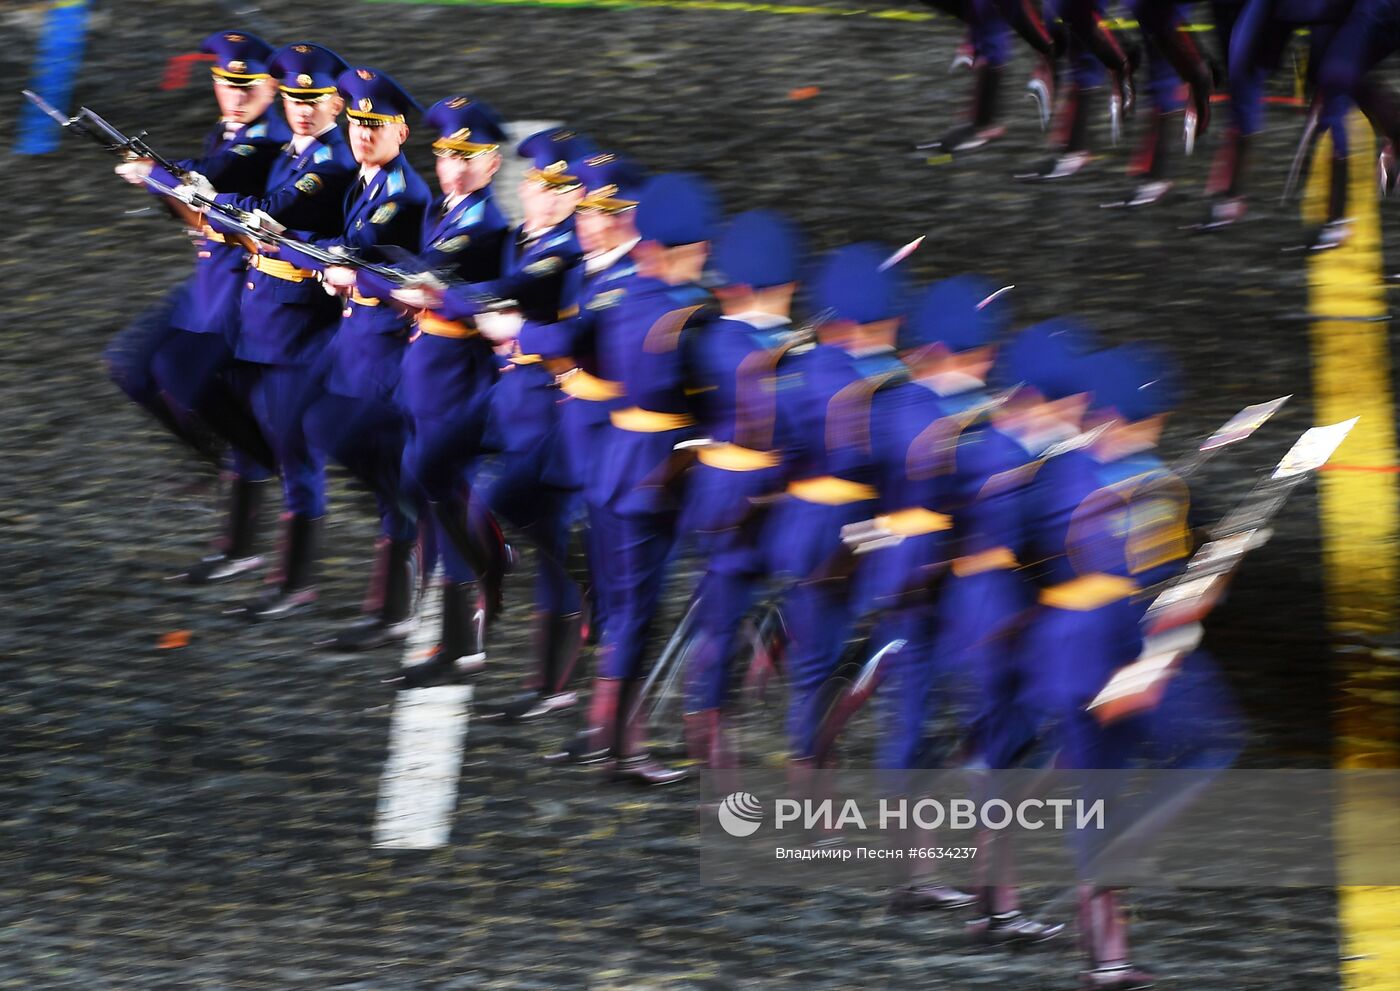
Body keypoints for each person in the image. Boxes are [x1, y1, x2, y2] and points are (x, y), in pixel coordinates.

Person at [201, 41, 358, 619]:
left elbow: (269, 211)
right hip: (261, 313)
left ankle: (294, 583)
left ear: (336, 104)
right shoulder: (292, 151)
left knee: (295, 451)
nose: (301, 108)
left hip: (299, 326)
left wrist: (217, 204)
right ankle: (238, 549)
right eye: (294, 97)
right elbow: (243, 211)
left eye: (314, 100)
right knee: (247, 432)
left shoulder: (332, 164)